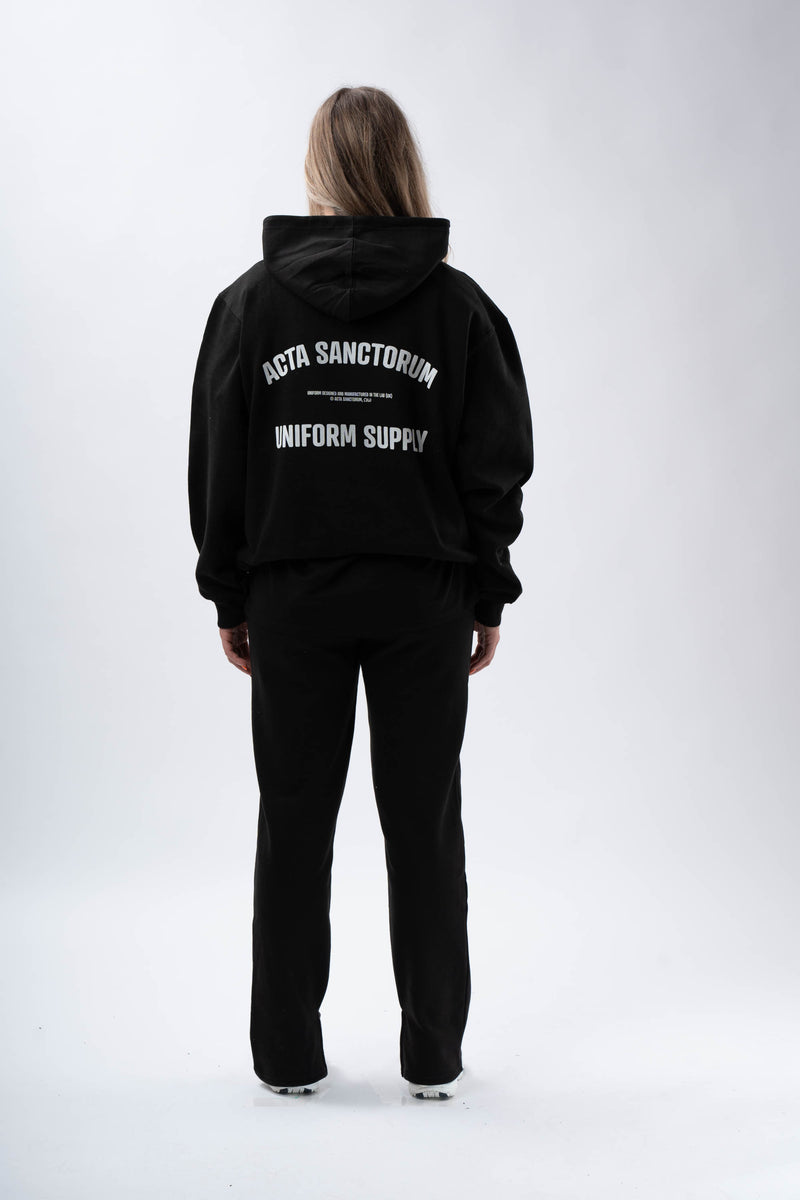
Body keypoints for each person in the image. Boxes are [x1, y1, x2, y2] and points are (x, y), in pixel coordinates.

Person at [188, 85, 534, 1101]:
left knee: (293, 823)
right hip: (422, 596)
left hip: (292, 597)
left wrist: (229, 593)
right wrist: (486, 592)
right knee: (423, 823)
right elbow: (494, 463)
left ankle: (286, 1058)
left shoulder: (250, 306)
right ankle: (432, 1059)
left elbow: (219, 460)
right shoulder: (458, 309)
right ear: (400, 167)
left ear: (318, 170)